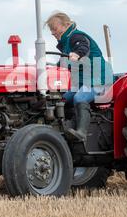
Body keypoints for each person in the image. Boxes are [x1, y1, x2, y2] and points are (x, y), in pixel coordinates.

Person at [45, 12, 112, 142]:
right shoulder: (66, 45)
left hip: (98, 81)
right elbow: (63, 64)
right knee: (61, 100)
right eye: (51, 30)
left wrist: (77, 54)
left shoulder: (76, 37)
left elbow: (83, 48)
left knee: (80, 97)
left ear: (66, 25)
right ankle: (64, 128)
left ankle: (81, 132)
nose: (53, 33)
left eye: (55, 28)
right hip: (82, 82)